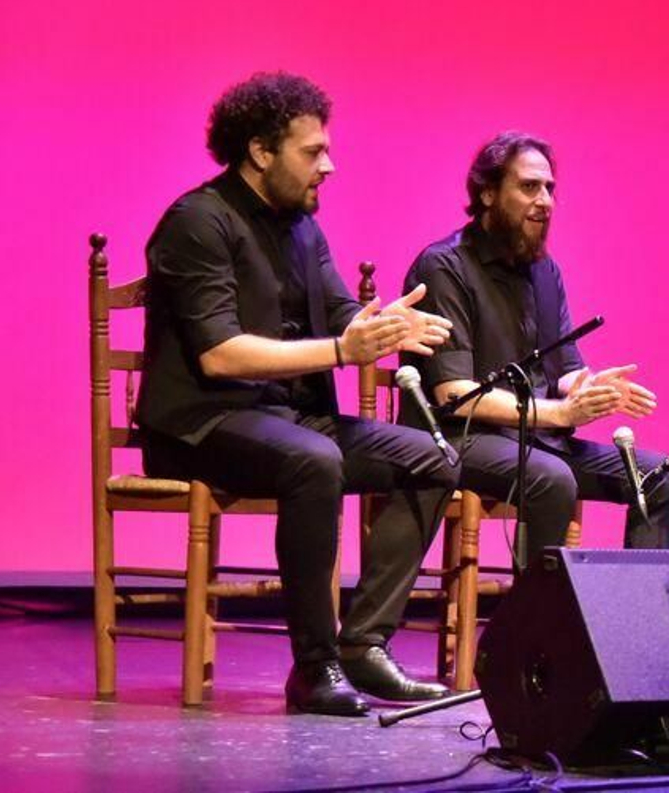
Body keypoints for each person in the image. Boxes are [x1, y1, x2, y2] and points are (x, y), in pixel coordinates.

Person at [136, 72, 458, 715]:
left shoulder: (302, 229)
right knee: (314, 461)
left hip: (287, 418)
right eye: (313, 152)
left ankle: (363, 643)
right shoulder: (198, 222)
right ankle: (315, 668)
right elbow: (220, 354)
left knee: (436, 458)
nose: (329, 166)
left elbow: (342, 312)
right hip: (202, 424)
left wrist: (383, 326)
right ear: (260, 150)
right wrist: (344, 350)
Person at [401, 131, 669, 559]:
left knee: (659, 477)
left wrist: (588, 390)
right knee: (552, 478)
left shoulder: (544, 271)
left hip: (537, 440)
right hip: (462, 438)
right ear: (489, 193)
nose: (546, 200)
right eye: (530, 186)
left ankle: (631, 622)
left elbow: (563, 370)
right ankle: (536, 621)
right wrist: (561, 413)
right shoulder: (445, 266)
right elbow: (453, 395)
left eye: (550, 188)